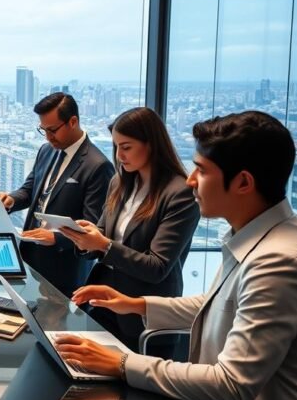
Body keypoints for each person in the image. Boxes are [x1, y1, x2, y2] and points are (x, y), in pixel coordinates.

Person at [58, 111, 297, 400]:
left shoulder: (280, 261)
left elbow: (231, 386)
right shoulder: (256, 236)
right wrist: (137, 304)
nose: (190, 181)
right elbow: (218, 304)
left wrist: (123, 363)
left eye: (201, 171)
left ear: (243, 182)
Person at [57, 107, 200, 350]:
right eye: (116, 147)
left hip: (143, 314)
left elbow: (157, 267)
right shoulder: (120, 181)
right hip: (103, 304)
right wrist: (85, 239)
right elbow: (103, 234)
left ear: (152, 145)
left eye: (126, 147)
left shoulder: (179, 193)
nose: (119, 155)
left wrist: (103, 244)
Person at [0, 92, 114, 297]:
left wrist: (56, 238)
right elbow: (30, 190)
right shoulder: (46, 150)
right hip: (30, 257)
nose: (49, 137)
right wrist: (11, 200)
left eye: (52, 130)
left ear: (73, 121)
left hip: (64, 269)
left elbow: (95, 225)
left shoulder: (98, 165)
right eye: (43, 130)